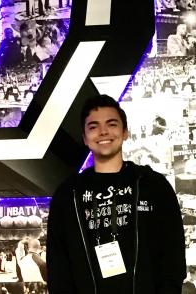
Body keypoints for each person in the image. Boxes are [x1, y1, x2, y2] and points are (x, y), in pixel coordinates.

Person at [47, 94, 186, 293]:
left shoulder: (153, 185)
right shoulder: (68, 194)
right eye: (93, 127)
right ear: (85, 138)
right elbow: (58, 266)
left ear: (125, 132)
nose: (103, 132)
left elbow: (173, 255)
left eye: (112, 124)